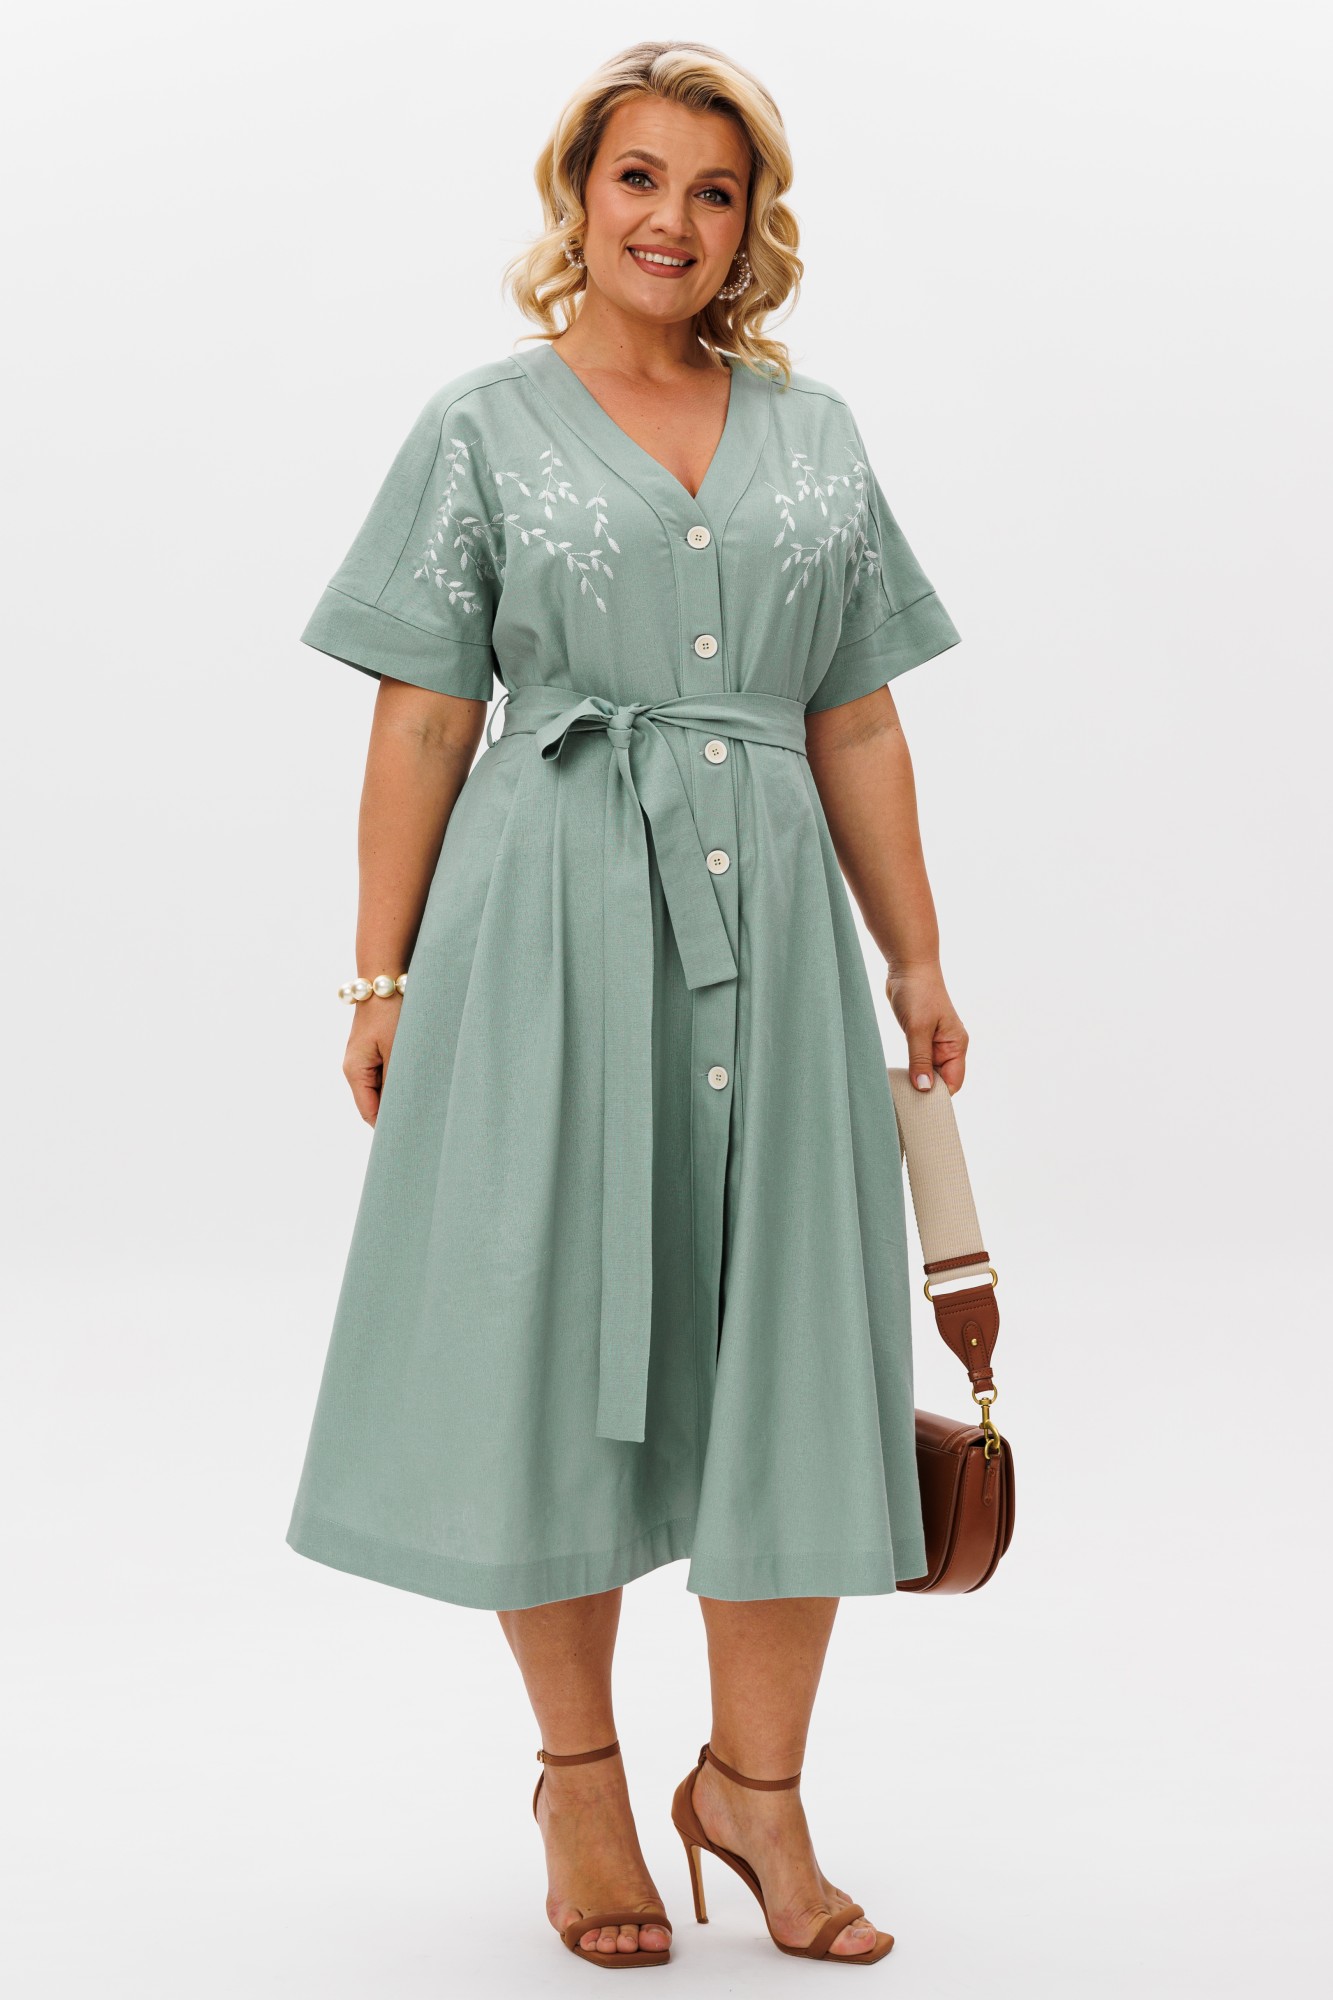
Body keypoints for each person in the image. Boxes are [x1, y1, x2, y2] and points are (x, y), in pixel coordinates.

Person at [286, 38, 969, 1971]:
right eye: (638, 178)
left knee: (795, 1348)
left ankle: (755, 1791)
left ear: (753, 225)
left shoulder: (815, 436)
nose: (673, 218)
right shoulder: (479, 427)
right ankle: (580, 1779)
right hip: (547, 929)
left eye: (714, 189)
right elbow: (425, 716)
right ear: (577, 197)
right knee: (547, 1338)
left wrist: (915, 954)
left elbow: (855, 713)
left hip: (779, 933)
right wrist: (379, 970)